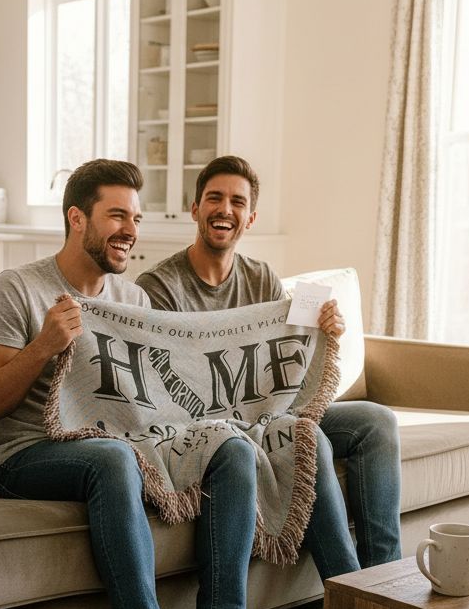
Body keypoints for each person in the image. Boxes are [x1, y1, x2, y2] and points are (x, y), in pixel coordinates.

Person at [0, 159, 292, 609]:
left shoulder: (130, 298)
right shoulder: (16, 287)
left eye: (136, 218)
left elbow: (156, 399)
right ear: (76, 219)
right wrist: (44, 345)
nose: (130, 231)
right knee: (114, 459)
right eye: (117, 215)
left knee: (233, 447)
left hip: (127, 441)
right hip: (31, 452)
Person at [137, 155, 403, 572]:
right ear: (195, 209)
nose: (225, 209)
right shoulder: (158, 287)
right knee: (302, 437)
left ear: (251, 217)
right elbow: (162, 390)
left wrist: (325, 331)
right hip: (213, 432)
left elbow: (291, 370)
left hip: (270, 414)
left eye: (237, 202)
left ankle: (387, 580)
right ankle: (350, 591)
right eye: (214, 198)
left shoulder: (262, 278)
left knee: (377, 422)